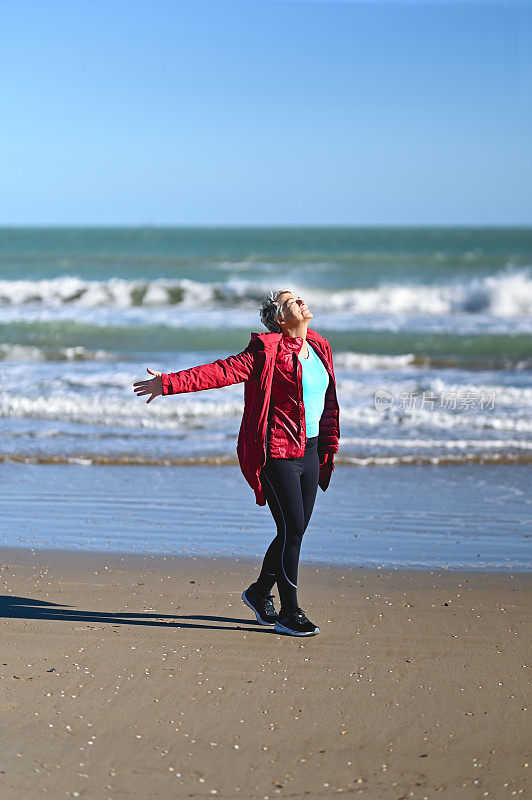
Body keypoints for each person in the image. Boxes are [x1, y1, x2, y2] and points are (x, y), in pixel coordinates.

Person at [133, 289, 340, 636]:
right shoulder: (265, 351)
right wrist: (166, 383)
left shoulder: (319, 346)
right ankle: (290, 613)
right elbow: (219, 372)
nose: (301, 302)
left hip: (311, 450)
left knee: (295, 530)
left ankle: (259, 594)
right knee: (291, 529)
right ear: (280, 319)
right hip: (277, 451)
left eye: (299, 298)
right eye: (292, 302)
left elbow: (326, 401)